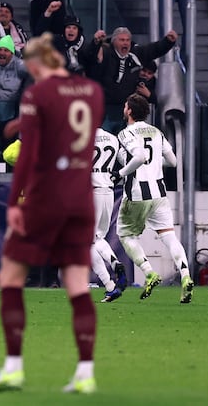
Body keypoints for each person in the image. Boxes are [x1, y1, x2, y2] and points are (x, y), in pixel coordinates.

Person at [0, 33, 103, 394]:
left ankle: (13, 367)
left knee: (10, 278)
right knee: (78, 287)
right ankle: (85, 373)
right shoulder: (92, 91)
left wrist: (18, 204)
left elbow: (29, 154)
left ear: (35, 65)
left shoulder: (38, 93)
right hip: (82, 198)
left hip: (46, 197)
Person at [113, 93, 194, 304]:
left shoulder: (125, 133)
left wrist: (121, 174)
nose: (124, 109)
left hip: (137, 193)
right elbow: (174, 161)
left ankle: (149, 273)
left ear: (129, 111)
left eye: (125, 106)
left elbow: (139, 157)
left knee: (126, 234)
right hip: (159, 192)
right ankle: (185, 275)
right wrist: (154, 164)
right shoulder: (156, 132)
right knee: (169, 236)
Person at [91, 128, 127, 303]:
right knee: (98, 237)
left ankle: (110, 286)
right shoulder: (113, 138)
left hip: (90, 192)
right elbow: (126, 161)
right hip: (108, 191)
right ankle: (115, 263)